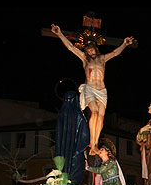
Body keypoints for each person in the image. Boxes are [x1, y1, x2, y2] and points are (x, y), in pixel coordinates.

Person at [51, 24, 135, 155]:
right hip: (90, 88)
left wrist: (125, 43)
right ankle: (91, 143)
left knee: (101, 117)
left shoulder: (102, 59)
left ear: (95, 49)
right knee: (94, 112)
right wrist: (60, 34)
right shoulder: (85, 60)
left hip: (102, 90)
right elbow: (71, 47)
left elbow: (115, 53)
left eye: (91, 49)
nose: (90, 52)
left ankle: (95, 143)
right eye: (88, 50)